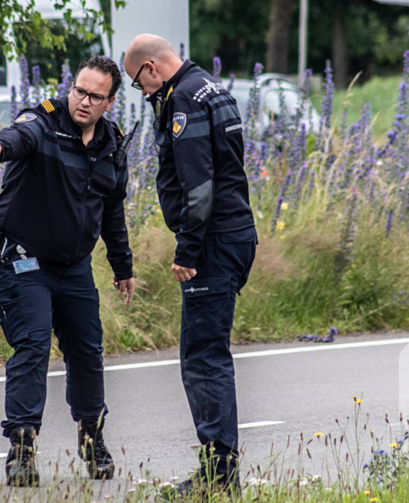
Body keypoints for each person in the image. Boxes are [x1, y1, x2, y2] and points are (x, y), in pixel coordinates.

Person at [0, 55, 135, 487]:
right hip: (23, 257)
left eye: (95, 96)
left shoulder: (111, 144)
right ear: (72, 87)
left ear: (110, 101)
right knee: (33, 343)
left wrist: (123, 266)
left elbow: (112, 210)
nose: (83, 101)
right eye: (79, 91)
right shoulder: (44, 120)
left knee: (87, 351)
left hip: (74, 265)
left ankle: (91, 435)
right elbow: (20, 134)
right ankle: (22, 448)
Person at [122, 34, 257, 497]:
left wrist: (188, 249)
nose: (142, 94)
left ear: (152, 68)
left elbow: (199, 185)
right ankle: (221, 471)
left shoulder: (182, 100)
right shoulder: (213, 89)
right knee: (208, 352)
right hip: (238, 234)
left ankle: (219, 477)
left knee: (202, 358)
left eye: (137, 82)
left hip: (214, 242)